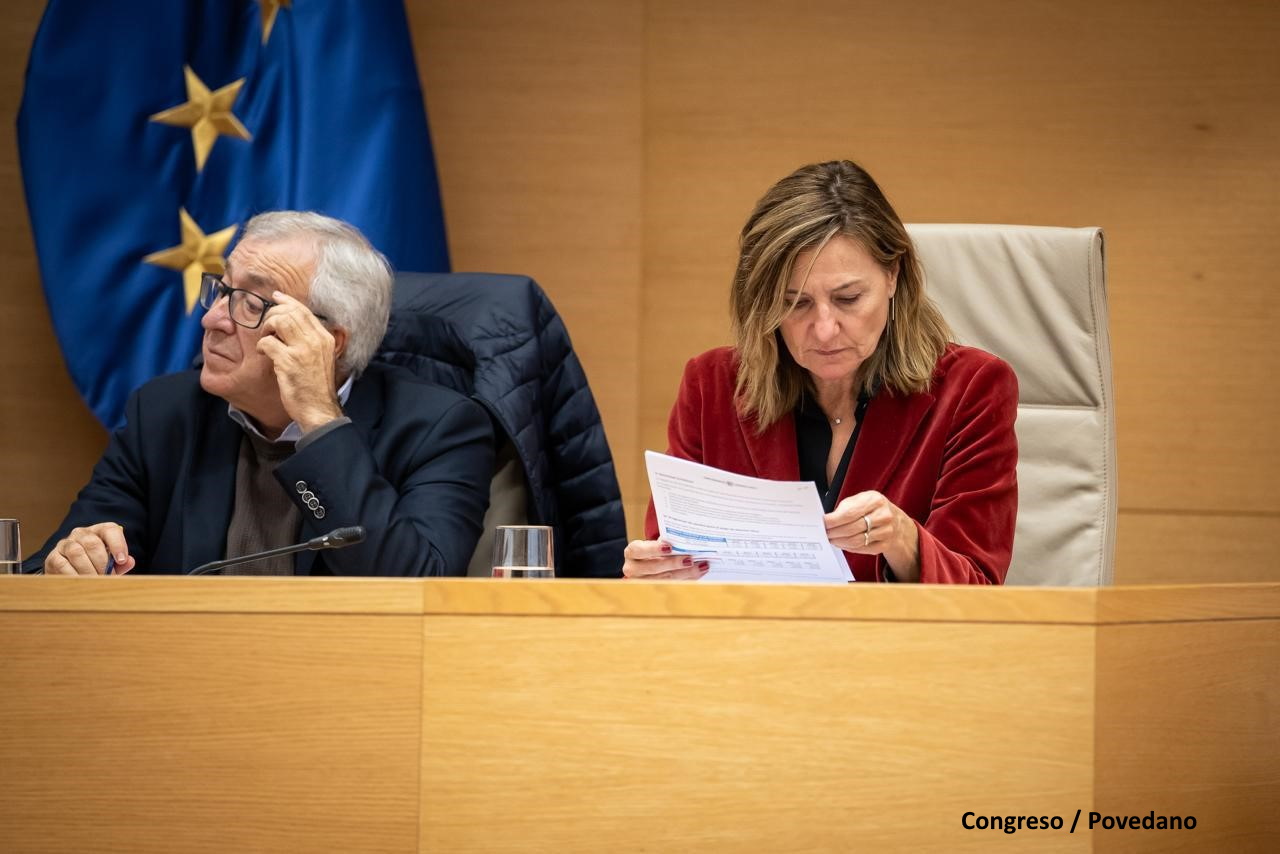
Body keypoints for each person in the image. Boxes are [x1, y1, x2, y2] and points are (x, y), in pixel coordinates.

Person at [26, 211, 494, 576]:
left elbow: (415, 585)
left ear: (328, 343)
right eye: (223, 289)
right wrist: (74, 561)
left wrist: (319, 420)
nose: (212, 320)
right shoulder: (165, 414)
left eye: (252, 303)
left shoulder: (439, 429)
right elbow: (56, 567)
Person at [624, 160, 1018, 584]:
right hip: (748, 644)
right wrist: (655, 576)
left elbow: (980, 593)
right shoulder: (712, 386)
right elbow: (673, 567)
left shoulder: (972, 389)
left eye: (848, 298)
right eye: (796, 303)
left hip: (900, 647)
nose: (825, 330)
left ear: (892, 275)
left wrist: (904, 540)